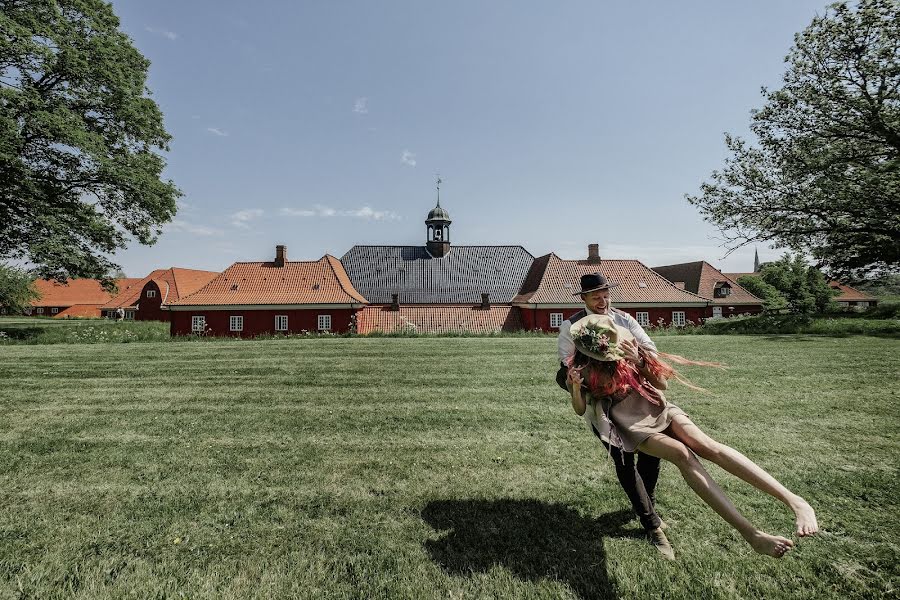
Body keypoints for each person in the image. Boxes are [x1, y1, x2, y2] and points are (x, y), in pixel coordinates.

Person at [565, 312, 818, 558]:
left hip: (654, 404)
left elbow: (662, 384)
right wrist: (576, 386)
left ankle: (795, 501)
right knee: (682, 454)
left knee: (707, 445)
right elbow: (579, 410)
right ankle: (751, 534)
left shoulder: (628, 348)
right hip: (630, 424)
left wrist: (639, 362)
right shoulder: (577, 368)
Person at [556, 273, 673, 559]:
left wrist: (636, 357)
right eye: (595, 296)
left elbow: (650, 351)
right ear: (583, 298)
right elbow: (566, 365)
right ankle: (652, 525)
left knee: (651, 454)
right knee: (623, 458)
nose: (602, 301)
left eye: (606, 295)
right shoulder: (570, 327)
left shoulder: (625, 320)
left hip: (636, 398)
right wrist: (576, 377)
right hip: (601, 405)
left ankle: (648, 504)